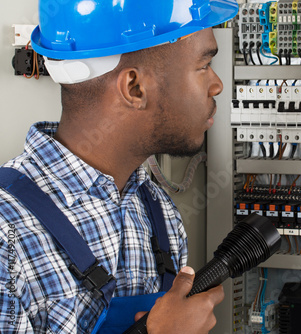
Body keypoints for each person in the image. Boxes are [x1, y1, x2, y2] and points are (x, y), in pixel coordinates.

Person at [0, 0, 238, 333]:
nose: (217, 85)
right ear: (135, 88)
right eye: (204, 65)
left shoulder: (159, 213)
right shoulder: (7, 234)